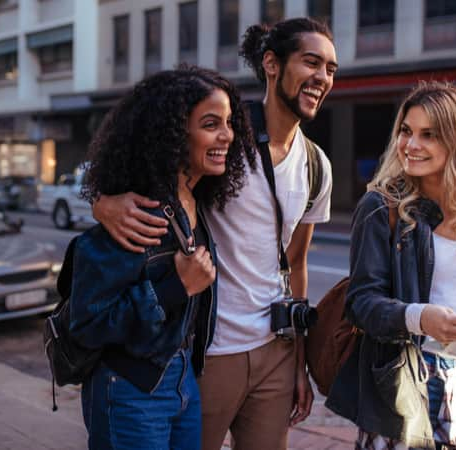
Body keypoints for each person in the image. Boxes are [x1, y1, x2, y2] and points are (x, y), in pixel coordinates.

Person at [92, 18, 337, 450]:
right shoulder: (226, 140)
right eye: (311, 62)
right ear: (272, 64)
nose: (322, 77)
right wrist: (103, 201)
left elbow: (295, 264)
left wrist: (298, 362)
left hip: (275, 353)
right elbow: (149, 171)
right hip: (209, 352)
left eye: (331, 69)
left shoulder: (317, 165)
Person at [69, 65, 255, 449]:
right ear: (173, 134)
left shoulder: (198, 201)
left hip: (183, 377)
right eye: (210, 124)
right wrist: (174, 288)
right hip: (132, 386)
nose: (227, 135)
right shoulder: (138, 210)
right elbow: (88, 322)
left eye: (229, 122)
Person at [326, 81, 456, 450]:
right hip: (409, 380)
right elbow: (361, 303)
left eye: (429, 135)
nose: (410, 145)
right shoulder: (382, 207)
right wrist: (421, 317)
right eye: (406, 132)